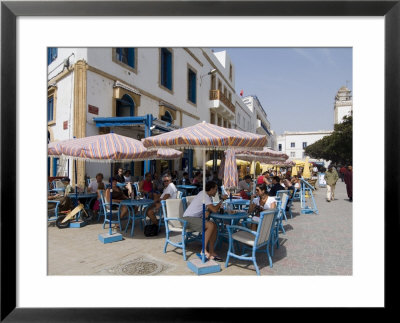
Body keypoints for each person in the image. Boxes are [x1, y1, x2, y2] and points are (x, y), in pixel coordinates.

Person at [183, 181, 224, 261]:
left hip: (194, 219)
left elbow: (210, 208)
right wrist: (222, 200)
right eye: (215, 189)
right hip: (187, 219)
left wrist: (208, 211)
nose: (216, 191)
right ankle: (203, 250)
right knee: (210, 225)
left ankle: (211, 251)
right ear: (211, 189)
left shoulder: (205, 194)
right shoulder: (205, 195)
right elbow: (215, 210)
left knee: (214, 226)